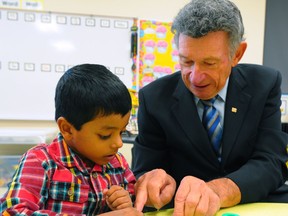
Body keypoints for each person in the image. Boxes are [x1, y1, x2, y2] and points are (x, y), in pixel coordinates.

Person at [132, 0, 288, 215]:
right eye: (186, 62)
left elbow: (271, 162)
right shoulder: (154, 98)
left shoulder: (264, 84)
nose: (195, 77)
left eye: (209, 63)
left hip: (255, 202)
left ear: (237, 55)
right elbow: (145, 170)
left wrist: (217, 190)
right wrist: (155, 183)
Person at [0, 64, 142, 216]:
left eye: (122, 132)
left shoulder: (118, 164)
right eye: (105, 135)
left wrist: (125, 202)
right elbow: (12, 212)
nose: (119, 143)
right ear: (67, 129)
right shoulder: (41, 162)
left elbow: (134, 201)